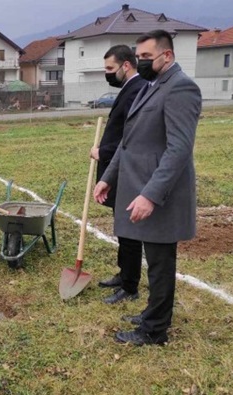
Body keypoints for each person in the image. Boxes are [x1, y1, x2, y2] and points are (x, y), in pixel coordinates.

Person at [93, 30, 201, 346]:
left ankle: (155, 330)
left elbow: (179, 149)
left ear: (166, 56)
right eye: (138, 56)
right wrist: (108, 177)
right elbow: (129, 142)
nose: (139, 62)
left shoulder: (181, 88)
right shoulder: (150, 86)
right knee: (153, 261)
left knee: (160, 263)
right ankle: (151, 314)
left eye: (145, 57)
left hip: (160, 193)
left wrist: (151, 195)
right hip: (136, 183)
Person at [91, 45, 147, 304]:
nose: (107, 74)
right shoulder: (128, 89)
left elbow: (130, 136)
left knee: (129, 230)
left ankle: (130, 285)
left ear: (126, 65)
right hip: (117, 169)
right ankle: (124, 273)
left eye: (110, 69)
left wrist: (103, 152)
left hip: (127, 171)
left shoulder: (137, 90)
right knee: (122, 228)